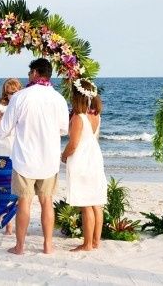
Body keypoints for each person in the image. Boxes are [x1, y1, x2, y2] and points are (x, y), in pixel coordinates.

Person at [0, 58, 69, 254]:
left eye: (29, 73)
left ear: (35, 73)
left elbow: (4, 129)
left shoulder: (20, 97)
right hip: (49, 160)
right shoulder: (59, 99)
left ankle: (20, 247)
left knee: (24, 202)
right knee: (47, 202)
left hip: (25, 160)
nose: (28, 76)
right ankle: (48, 246)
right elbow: (63, 129)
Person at [61, 78, 107, 251]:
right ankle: (96, 241)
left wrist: (63, 156)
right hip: (94, 158)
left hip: (82, 160)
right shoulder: (96, 115)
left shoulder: (79, 117)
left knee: (86, 203)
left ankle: (87, 244)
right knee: (96, 203)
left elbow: (73, 144)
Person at [0, 78, 22, 235]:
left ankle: (19, 225)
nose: (10, 96)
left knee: (17, 190)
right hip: (2, 153)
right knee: (1, 191)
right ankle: (8, 225)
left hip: (18, 153)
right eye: (8, 93)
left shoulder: (23, 107)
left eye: (13, 92)